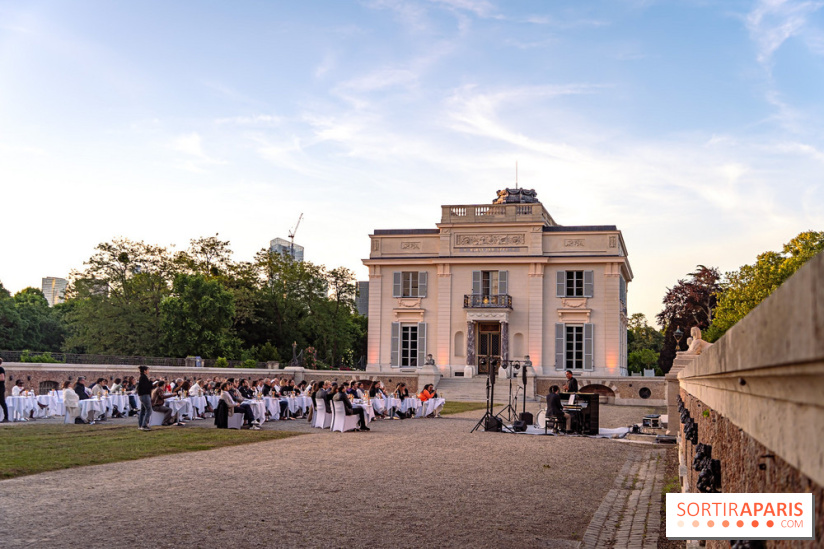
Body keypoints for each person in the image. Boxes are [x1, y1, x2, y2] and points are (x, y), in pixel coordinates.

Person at [137, 366, 153, 430]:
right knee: (149, 410)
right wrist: (151, 382)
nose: (148, 371)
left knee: (143, 410)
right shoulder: (144, 378)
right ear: (145, 371)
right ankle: (144, 425)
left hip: (142, 395)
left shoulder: (141, 377)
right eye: (147, 370)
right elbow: (147, 387)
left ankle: (140, 424)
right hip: (145, 395)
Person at [0, 358, 8, 422]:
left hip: (0, 387)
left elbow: (2, 378)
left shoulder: (1, 369)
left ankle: (6, 417)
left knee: (2, 402)